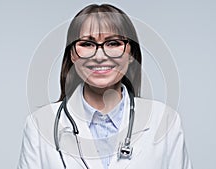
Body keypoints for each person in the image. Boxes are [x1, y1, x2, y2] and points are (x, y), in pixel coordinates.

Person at [17, 4, 192, 169]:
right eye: (87, 44)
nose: (100, 56)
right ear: (72, 54)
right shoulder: (40, 125)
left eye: (113, 43)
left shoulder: (165, 121)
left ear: (130, 53)